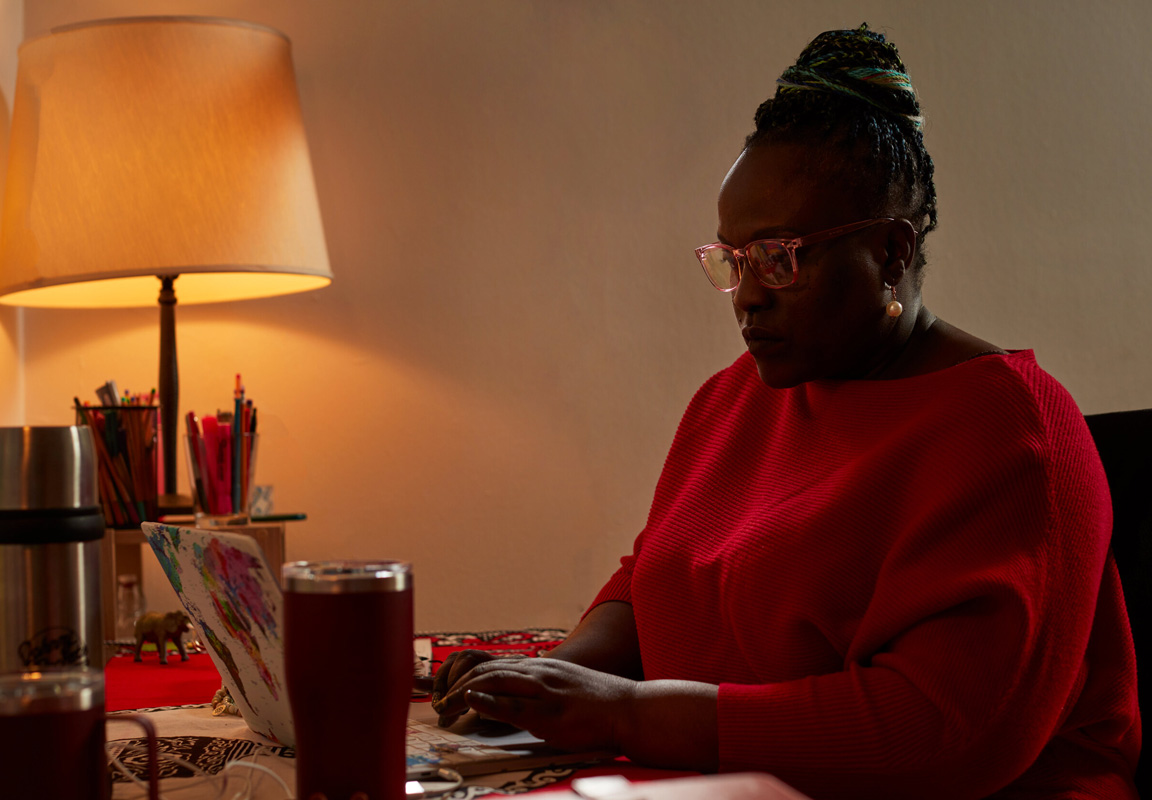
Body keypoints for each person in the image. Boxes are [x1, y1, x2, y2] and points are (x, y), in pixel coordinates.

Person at [430, 25, 1140, 798]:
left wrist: (630, 713)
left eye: (781, 257)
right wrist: (555, 676)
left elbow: (944, 732)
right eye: (733, 260)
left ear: (892, 254)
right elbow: (657, 583)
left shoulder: (1012, 432)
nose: (750, 293)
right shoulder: (731, 399)